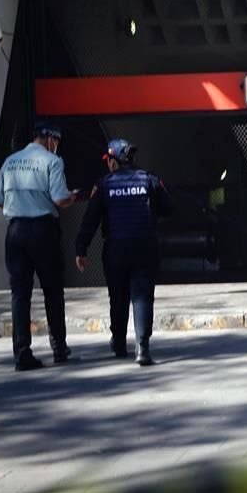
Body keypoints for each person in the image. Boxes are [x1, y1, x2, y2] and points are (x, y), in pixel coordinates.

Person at [75, 139, 171, 366]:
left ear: (113, 162)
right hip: (145, 245)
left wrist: (81, 248)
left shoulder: (104, 185)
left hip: (116, 249)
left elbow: (90, 220)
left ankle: (119, 343)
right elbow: (169, 208)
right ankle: (142, 348)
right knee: (143, 296)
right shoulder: (149, 179)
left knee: (117, 296)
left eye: (108, 160)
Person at [0, 122, 76, 371]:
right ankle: (59, 348)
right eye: (56, 142)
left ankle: (22, 353)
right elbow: (59, 198)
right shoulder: (52, 161)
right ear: (50, 139)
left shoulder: (10, 162)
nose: (56, 146)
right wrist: (71, 197)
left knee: (20, 294)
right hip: (43, 231)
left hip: (16, 232)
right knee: (53, 290)